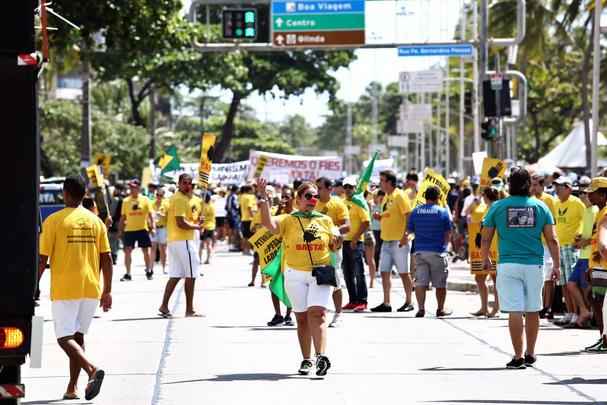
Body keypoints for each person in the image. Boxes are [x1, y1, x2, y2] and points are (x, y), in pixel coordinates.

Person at [38, 176, 113, 401]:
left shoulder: (53, 220)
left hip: (65, 288)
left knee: (64, 338)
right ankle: (72, 387)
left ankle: (91, 369)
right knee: (77, 338)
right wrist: (107, 290)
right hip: (91, 288)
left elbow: (42, 259)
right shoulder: (96, 221)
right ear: (84, 193)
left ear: (65, 193)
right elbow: (107, 258)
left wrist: (33, 286)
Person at [258, 178, 340, 377]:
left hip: (320, 274)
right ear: (298, 199)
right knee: (301, 318)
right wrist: (264, 198)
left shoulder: (325, 220)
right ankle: (306, 359)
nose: (312, 199)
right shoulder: (288, 219)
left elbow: (335, 243)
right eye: (308, 196)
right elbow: (268, 223)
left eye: (315, 196)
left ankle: (321, 356)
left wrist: (338, 242)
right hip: (294, 275)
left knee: (318, 314)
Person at [481, 168, 560, 369]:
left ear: (510, 184)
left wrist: (485, 258)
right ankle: (531, 353)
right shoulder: (541, 206)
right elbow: (552, 239)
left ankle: (518, 357)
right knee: (533, 309)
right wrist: (557, 265)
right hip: (534, 264)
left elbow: (486, 237)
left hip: (507, 264)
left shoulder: (498, 206)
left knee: (515, 310)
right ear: (529, 184)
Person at [158, 174, 203, 318]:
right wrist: (196, 227)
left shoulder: (189, 199)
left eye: (190, 183)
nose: (187, 185)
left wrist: (197, 222)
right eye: (184, 183)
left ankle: (164, 306)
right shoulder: (179, 199)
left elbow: (188, 219)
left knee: (176, 275)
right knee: (192, 274)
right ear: (178, 184)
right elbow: (180, 222)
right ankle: (189, 310)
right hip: (183, 241)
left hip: (176, 241)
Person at [405, 186, 453, 318]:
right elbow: (448, 233)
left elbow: (409, 231)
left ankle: (421, 309)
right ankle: (440, 309)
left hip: (419, 252)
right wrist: (445, 246)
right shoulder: (443, 212)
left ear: (425, 197)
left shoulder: (415, 211)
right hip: (437, 251)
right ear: (438, 198)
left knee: (420, 282)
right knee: (440, 284)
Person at [371, 170, 414, 313]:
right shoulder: (386, 197)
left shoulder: (400, 195)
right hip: (386, 240)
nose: (380, 183)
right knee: (384, 272)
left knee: (403, 272)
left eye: (382, 180)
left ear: (389, 182)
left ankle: (409, 301)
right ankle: (386, 302)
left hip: (399, 240)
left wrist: (405, 235)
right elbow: (390, 214)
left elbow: (408, 215)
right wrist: (380, 216)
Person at [315, 177, 350, 327]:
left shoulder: (337, 204)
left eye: (320, 188)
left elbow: (347, 226)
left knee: (335, 280)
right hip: (315, 249)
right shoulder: (313, 202)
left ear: (330, 189)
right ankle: (318, 312)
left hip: (333, 249)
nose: (317, 191)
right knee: (316, 281)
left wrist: (332, 231)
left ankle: (338, 314)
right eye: (316, 188)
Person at [552, 176, 585, 326]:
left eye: (560, 187)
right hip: (560, 246)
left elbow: (584, 222)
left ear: (568, 188)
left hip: (571, 247)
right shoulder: (556, 203)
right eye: (556, 187)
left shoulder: (577, 203)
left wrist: (578, 237)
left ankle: (578, 313)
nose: (557, 190)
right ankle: (569, 312)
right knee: (563, 283)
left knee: (572, 283)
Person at [565, 180, 597, 328]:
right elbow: (583, 231)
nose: (581, 196)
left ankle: (592, 316)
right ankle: (585, 312)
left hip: (591, 255)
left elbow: (599, 234)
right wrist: (578, 239)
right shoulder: (586, 211)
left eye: (584, 193)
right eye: (580, 193)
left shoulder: (597, 210)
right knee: (571, 284)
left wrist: (587, 241)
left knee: (586, 289)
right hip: (583, 254)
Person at [468, 187, 500, 317]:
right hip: (484, 248)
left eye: (483, 195)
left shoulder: (497, 208)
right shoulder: (483, 208)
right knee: (479, 277)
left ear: (486, 196)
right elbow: (469, 217)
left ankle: (496, 308)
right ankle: (484, 307)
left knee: (495, 278)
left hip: (494, 248)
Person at [266, 188, 295, 326]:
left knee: (290, 285)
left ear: (294, 199)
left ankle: (289, 315)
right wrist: (279, 210)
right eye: (283, 196)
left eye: (288, 197)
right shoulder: (277, 212)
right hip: (276, 253)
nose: (285, 199)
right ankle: (278, 314)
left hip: (290, 254)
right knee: (273, 284)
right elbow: (270, 224)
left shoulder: (296, 214)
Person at [530, 174, 558, 319]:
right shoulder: (530, 200)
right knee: (537, 277)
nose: (533, 188)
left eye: (535, 185)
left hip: (546, 243)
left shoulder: (549, 200)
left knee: (548, 278)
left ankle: (548, 307)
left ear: (542, 186)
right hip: (534, 244)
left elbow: (553, 222)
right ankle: (539, 305)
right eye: (531, 185)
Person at [342, 176, 370, 312]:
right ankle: (352, 300)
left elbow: (366, 222)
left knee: (359, 272)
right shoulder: (342, 203)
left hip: (356, 242)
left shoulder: (359, 202)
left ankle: (362, 301)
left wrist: (355, 238)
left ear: (355, 188)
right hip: (344, 242)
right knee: (347, 273)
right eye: (345, 187)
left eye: (350, 187)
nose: (347, 189)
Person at [586, 177, 607, 352]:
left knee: (598, 300)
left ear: (604, 194)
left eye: (593, 193)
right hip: (598, 265)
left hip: (604, 265)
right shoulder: (599, 211)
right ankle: (603, 337)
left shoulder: (606, 211)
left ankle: (604, 339)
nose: (589, 196)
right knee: (594, 299)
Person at [119, 179, 155, 281]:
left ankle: (148, 271)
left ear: (138, 188)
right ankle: (128, 273)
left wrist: (152, 227)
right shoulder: (126, 201)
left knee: (145, 251)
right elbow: (123, 217)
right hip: (129, 230)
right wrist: (120, 230)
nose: (131, 189)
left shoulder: (145, 199)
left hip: (142, 229)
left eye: (133, 187)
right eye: (130, 187)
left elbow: (151, 215)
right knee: (127, 251)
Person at [150, 188, 169, 274]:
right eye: (157, 195)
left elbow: (169, 217)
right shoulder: (151, 203)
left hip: (163, 228)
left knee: (163, 249)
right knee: (153, 247)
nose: (158, 197)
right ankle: (151, 268)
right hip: (154, 228)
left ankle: (164, 268)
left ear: (163, 196)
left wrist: (161, 215)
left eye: (160, 195)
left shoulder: (166, 204)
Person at [369, 189, 385, 289]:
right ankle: (375, 270)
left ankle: (379, 269)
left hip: (383, 230)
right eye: (379, 196)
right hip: (374, 230)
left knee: (381, 250)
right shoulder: (371, 205)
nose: (380, 198)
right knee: (376, 250)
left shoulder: (384, 205)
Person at [239, 184, 257, 256]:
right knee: (251, 236)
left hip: (244, 218)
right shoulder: (250, 197)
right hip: (250, 219)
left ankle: (244, 250)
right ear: (249, 190)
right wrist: (254, 217)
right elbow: (249, 208)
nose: (254, 190)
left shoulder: (242, 196)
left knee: (245, 236)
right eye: (252, 189)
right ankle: (249, 250)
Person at [200, 192, 216, 265]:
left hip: (203, 227)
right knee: (209, 244)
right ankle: (208, 259)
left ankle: (199, 259)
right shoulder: (212, 206)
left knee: (201, 244)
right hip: (211, 226)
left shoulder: (202, 206)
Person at [226, 185, 242, 252]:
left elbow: (227, 207)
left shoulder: (229, 196)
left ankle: (232, 245)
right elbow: (235, 206)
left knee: (232, 231)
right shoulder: (234, 196)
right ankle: (235, 245)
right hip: (234, 215)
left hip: (230, 215)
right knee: (235, 230)